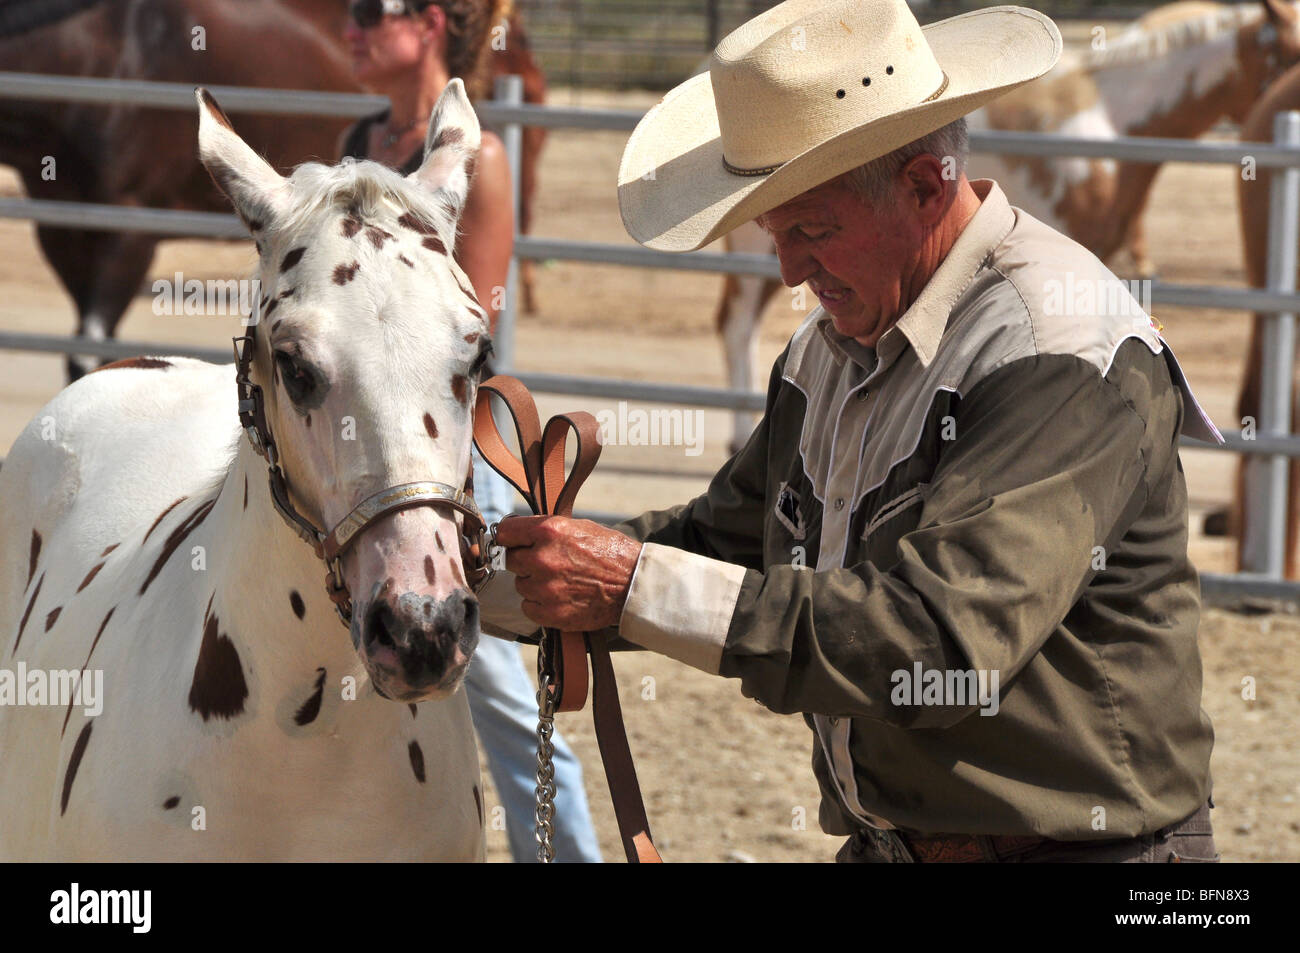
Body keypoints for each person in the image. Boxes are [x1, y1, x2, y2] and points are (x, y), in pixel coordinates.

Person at [485, 0, 1223, 862]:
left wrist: (629, 585)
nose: (790, 267)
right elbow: (727, 542)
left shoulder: (1056, 348)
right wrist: (483, 579)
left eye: (813, 228)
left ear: (923, 185)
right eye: (775, 230)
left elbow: (945, 640)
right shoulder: (830, 351)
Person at [340, 0, 601, 863]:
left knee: (487, 680)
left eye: (368, 11)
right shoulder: (356, 142)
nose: (351, 26)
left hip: (453, 451)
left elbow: (467, 331)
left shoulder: (478, 159)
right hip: (369, 445)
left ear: (430, 23)